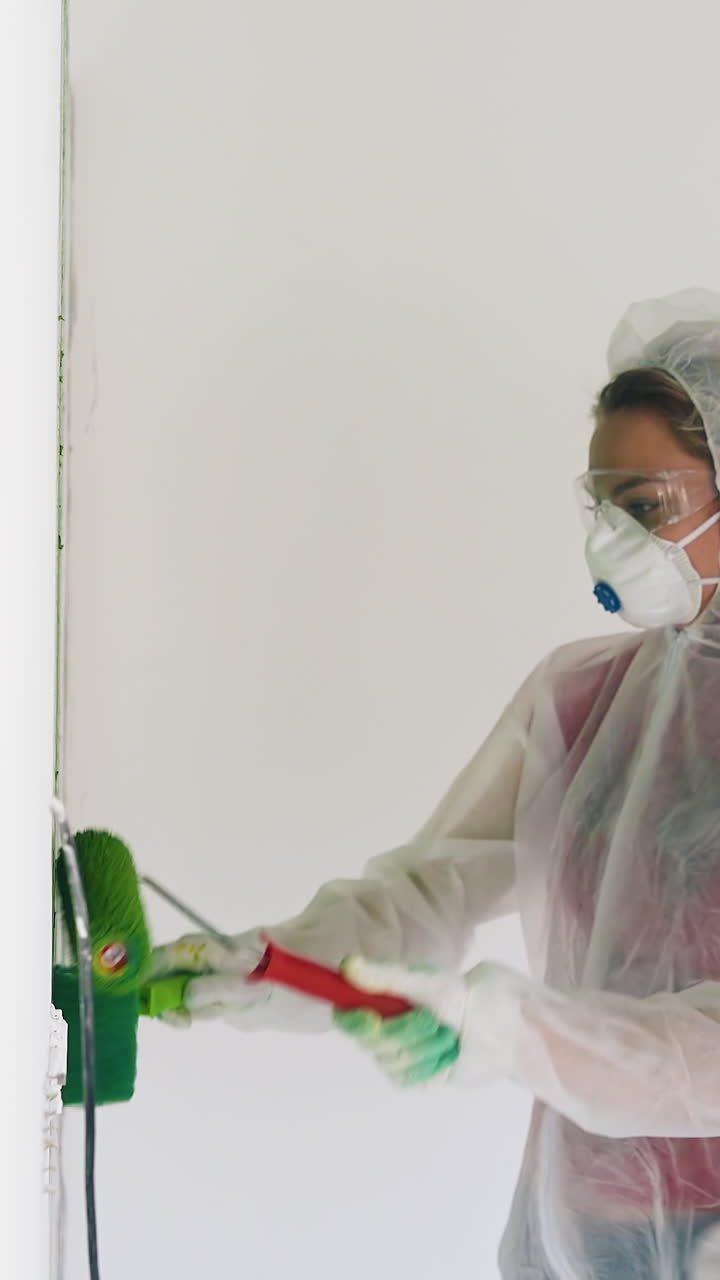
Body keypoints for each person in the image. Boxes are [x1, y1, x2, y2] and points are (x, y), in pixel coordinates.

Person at [151, 289, 720, 1279]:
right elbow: (431, 888)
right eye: (601, 505)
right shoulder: (584, 697)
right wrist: (272, 964)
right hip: (584, 1226)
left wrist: (522, 1031)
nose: (610, 541)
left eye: (646, 505)